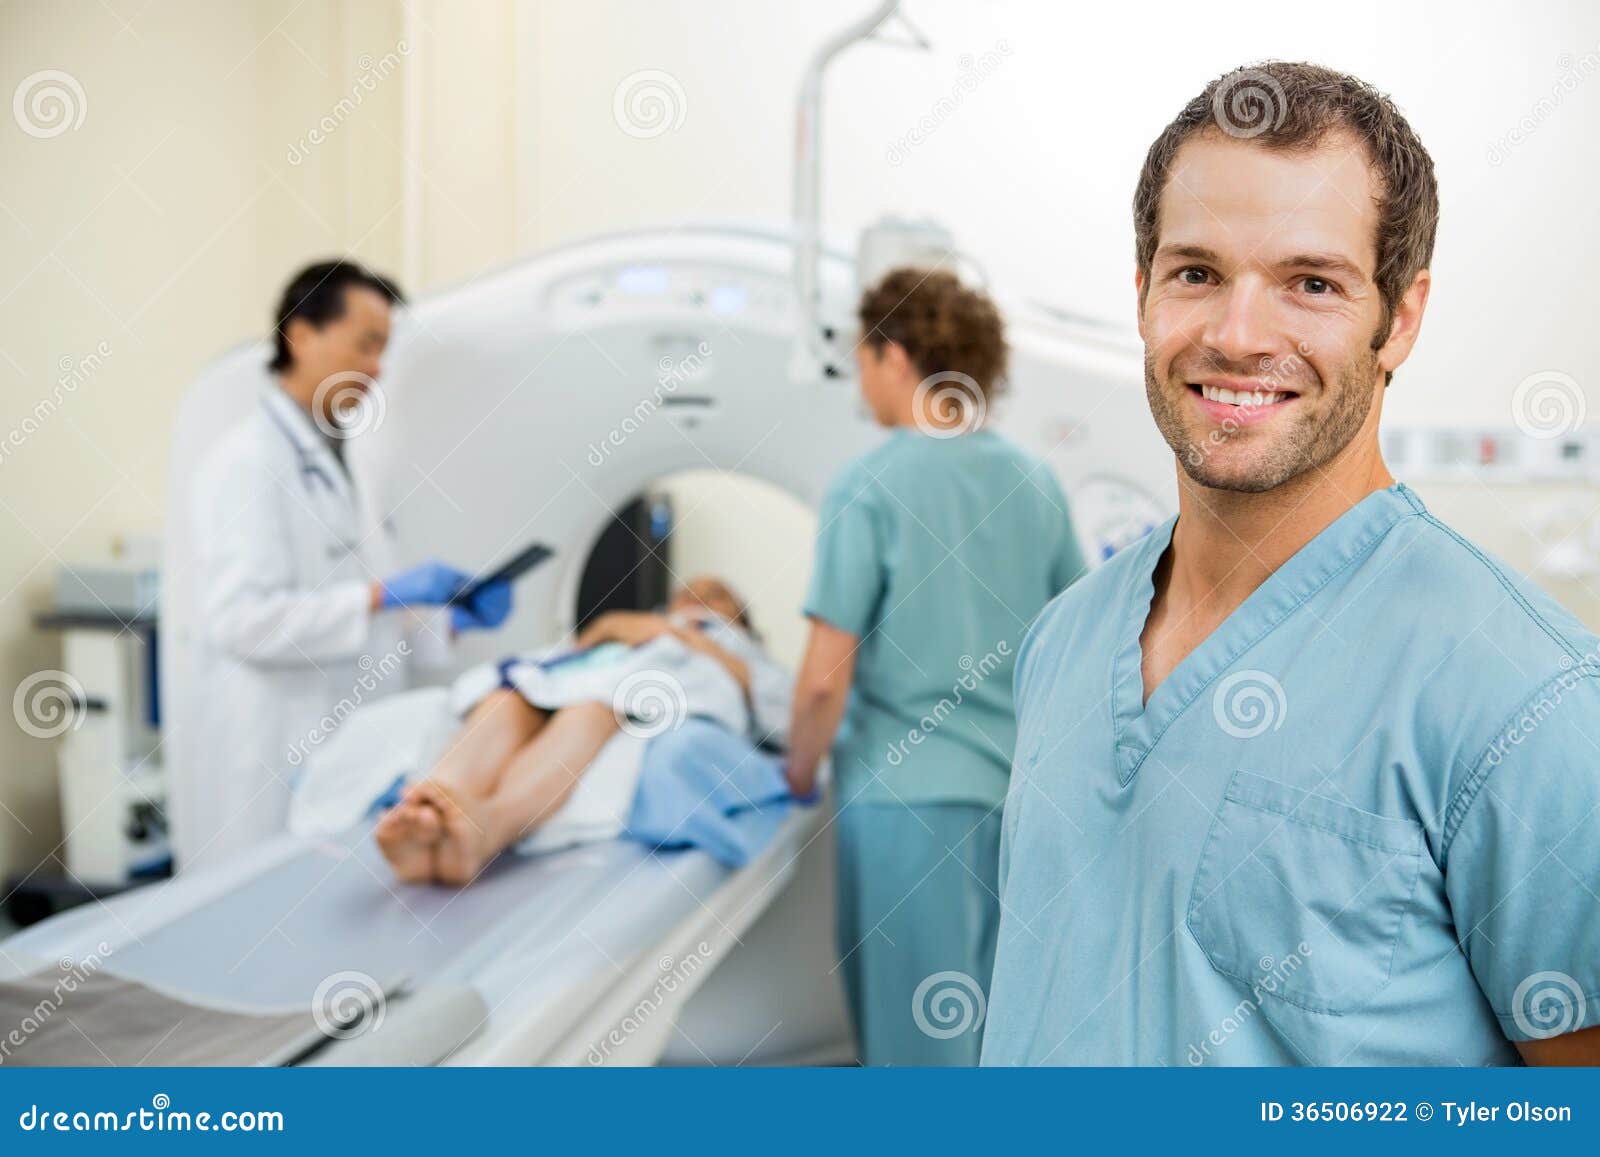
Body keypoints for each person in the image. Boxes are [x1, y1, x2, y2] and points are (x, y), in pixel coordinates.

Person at [981, 62, 1600, 1067]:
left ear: (1398, 316)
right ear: (1140, 294)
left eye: (1310, 283)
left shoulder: (1528, 700)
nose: (1235, 335)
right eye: (1195, 272)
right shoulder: (1064, 638)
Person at [784, 269, 1087, 1066]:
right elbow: (1077, 653)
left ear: (894, 357)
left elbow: (821, 680)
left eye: (862, 358)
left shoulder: (868, 486)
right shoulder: (1035, 482)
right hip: (1016, 806)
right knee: (997, 1045)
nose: (863, 380)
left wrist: (796, 768)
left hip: (906, 811)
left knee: (916, 1057)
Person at [170, 260, 512, 874]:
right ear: (301, 336)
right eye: (366, 344)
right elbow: (242, 622)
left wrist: (447, 624)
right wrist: (381, 597)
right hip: (271, 750)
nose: (378, 368)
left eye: (384, 349)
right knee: (257, 919)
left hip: (344, 741)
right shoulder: (245, 463)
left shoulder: (350, 463)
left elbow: (363, 609)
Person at [374, 576, 791, 885]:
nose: (698, 596)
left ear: (740, 619)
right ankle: (427, 816)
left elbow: (783, 717)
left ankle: (488, 825)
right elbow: (579, 650)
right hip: (584, 671)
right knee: (508, 698)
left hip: (635, 685)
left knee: (593, 706)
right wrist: (620, 626)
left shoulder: (741, 650)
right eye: (688, 591)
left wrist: (689, 638)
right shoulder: (634, 622)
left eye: (718, 595)